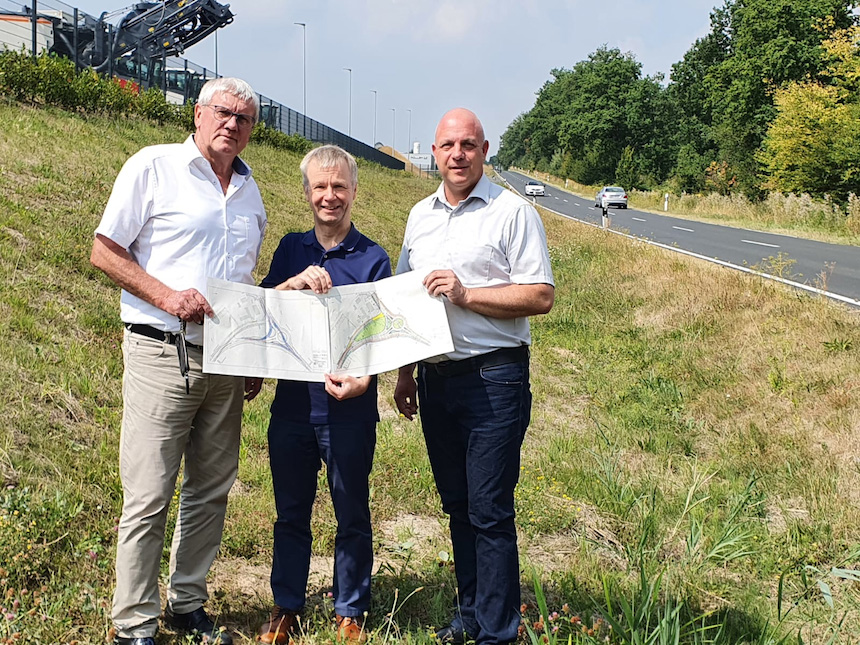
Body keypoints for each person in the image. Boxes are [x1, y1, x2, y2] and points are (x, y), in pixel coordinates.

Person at [90, 77, 267, 645]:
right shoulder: (154, 166)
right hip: (162, 349)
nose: (231, 124)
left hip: (224, 358)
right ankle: (135, 623)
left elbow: (242, 283)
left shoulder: (250, 192)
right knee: (149, 492)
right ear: (197, 113)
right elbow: (104, 250)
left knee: (212, 487)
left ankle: (187, 601)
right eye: (222, 112)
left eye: (243, 118)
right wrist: (167, 296)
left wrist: (252, 355)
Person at [393, 108, 555, 645]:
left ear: (484, 151)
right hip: (437, 379)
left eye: (468, 145)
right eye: (447, 145)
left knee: (489, 507)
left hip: (494, 378)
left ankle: (499, 632)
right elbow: (404, 302)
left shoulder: (513, 213)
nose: (457, 155)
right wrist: (404, 374)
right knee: (457, 504)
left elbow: (539, 296)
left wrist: (466, 295)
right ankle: (470, 614)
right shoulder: (419, 217)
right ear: (433, 153)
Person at [255, 145, 391, 645]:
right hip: (291, 409)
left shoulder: (374, 258)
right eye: (320, 186)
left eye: (339, 186)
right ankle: (285, 607)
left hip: (348, 413)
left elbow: (383, 336)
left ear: (354, 191)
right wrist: (291, 284)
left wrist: (367, 381)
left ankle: (350, 609)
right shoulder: (290, 248)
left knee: (351, 511)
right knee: (290, 513)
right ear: (307, 192)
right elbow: (262, 314)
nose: (329, 196)